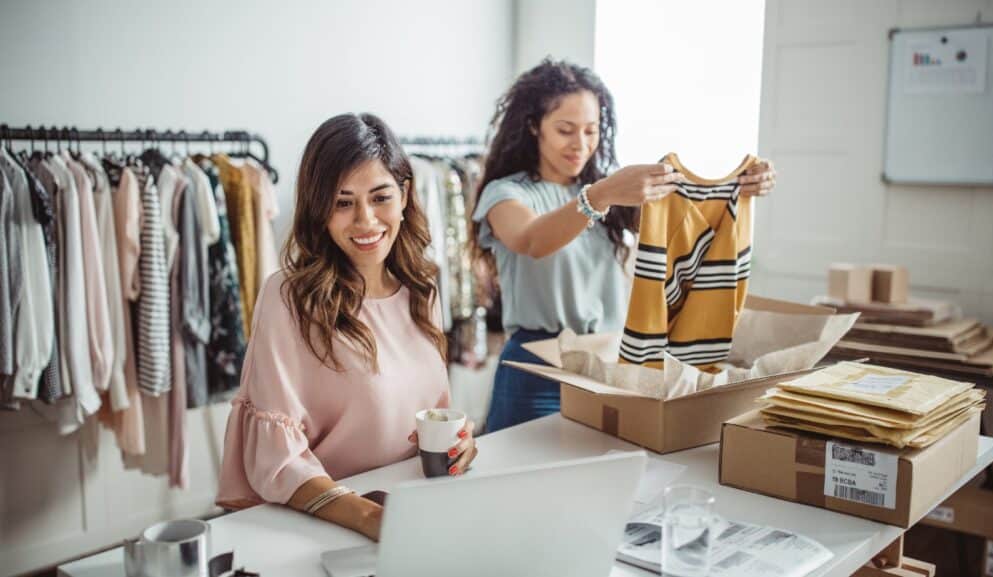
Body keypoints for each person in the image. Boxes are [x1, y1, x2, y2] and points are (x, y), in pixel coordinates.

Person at [472, 59, 776, 433]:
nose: (580, 144)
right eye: (565, 130)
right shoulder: (507, 193)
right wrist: (599, 196)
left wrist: (740, 186)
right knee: (519, 481)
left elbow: (687, 222)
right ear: (534, 126)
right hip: (536, 369)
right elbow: (532, 240)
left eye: (591, 130)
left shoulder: (612, 193)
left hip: (608, 365)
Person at [217, 113, 478, 541]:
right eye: (343, 202)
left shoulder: (422, 287)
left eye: (380, 197)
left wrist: (460, 443)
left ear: (405, 194)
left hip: (415, 512)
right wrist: (370, 519)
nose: (365, 221)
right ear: (319, 208)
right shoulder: (288, 298)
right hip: (325, 526)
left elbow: (430, 415)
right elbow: (277, 461)